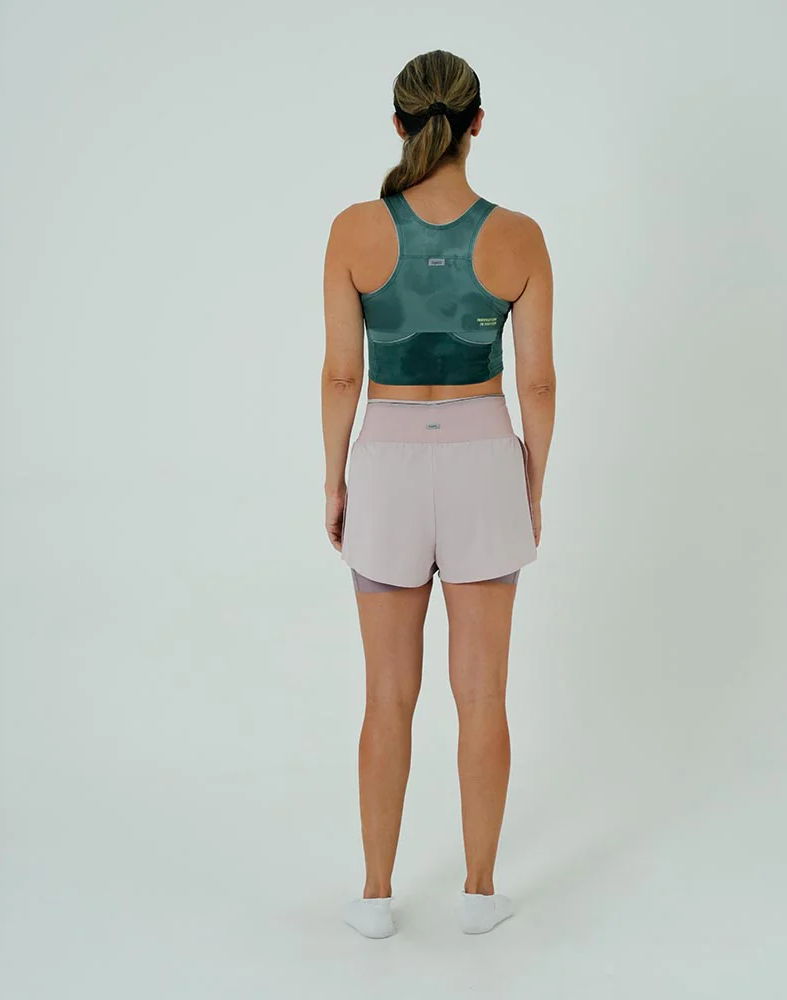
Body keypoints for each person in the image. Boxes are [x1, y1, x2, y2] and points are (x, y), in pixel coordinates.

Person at [320, 49, 555, 938]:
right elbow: (538, 384)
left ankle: (376, 896)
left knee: (386, 695)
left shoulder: (354, 230)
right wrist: (532, 481)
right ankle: (480, 894)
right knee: (483, 693)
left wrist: (334, 478)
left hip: (385, 460)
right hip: (484, 457)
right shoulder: (519, 236)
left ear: (399, 124)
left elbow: (342, 375)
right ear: (477, 123)